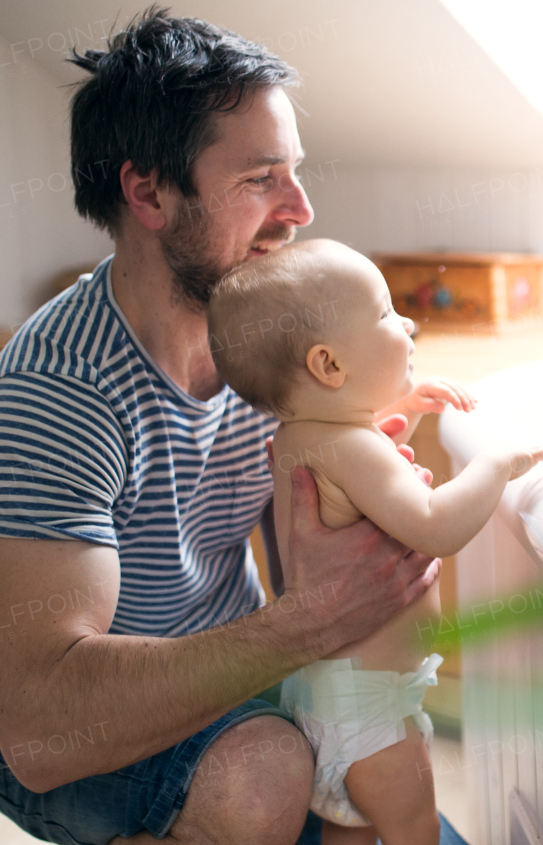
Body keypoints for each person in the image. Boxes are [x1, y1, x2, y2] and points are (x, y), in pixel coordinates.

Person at [0, 10, 465, 844]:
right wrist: (307, 624)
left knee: (390, 811)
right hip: (78, 728)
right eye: (261, 180)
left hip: (240, 674)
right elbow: (37, 726)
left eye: (294, 172)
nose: (300, 208)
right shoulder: (61, 389)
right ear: (147, 192)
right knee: (267, 776)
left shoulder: (266, 340)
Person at [207, 239, 543, 843]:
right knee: (414, 829)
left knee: (353, 827)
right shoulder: (355, 449)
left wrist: (405, 408)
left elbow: (362, 477)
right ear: (329, 366)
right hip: (372, 710)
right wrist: (495, 465)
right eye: (385, 313)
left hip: (330, 694)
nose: (408, 322)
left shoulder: (301, 437)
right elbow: (434, 524)